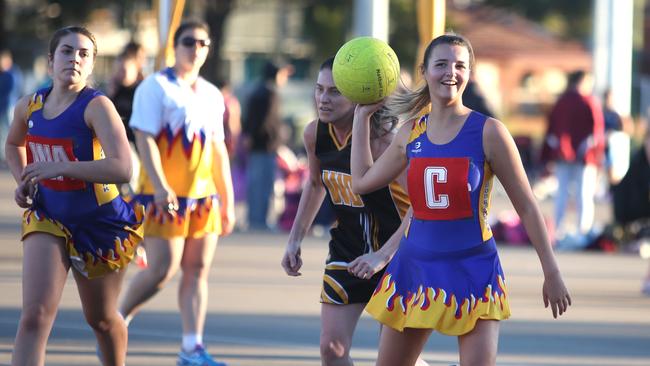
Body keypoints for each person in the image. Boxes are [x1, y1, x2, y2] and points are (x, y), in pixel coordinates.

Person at [350, 33, 571, 366]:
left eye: (460, 65)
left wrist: (551, 271)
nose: (450, 73)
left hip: (473, 269)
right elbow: (362, 182)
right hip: (414, 269)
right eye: (441, 65)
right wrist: (361, 118)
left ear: (470, 72)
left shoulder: (490, 132)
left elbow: (526, 206)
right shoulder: (410, 132)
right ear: (424, 71)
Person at [5, 26, 143, 366]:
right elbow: (13, 144)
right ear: (51, 60)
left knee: (101, 319)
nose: (75, 59)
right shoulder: (29, 107)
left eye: (84, 54)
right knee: (34, 316)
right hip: (48, 215)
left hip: (99, 223)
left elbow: (123, 168)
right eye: (67, 51)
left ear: (92, 65)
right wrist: (23, 178)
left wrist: (63, 167)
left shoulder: (97, 107)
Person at [282, 58, 423, 366]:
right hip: (347, 248)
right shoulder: (314, 135)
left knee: (396, 360)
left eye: (335, 92)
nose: (323, 99)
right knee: (331, 350)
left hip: (397, 254)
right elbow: (316, 184)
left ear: (360, 95)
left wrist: (383, 255)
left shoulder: (387, 141)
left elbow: (421, 206)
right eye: (319, 90)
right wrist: (294, 240)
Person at [118, 20, 235, 366]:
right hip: (162, 195)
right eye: (188, 41)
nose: (195, 48)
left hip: (202, 197)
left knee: (197, 270)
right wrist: (160, 185)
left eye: (203, 42)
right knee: (161, 269)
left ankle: (192, 347)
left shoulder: (212, 94)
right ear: (175, 46)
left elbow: (218, 150)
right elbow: (145, 139)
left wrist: (226, 201)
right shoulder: (155, 87)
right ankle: (115, 321)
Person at [541, 70, 605, 239]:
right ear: (583, 81)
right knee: (584, 193)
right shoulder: (589, 101)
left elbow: (551, 130)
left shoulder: (561, 101)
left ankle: (557, 230)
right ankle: (583, 231)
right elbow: (597, 131)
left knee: (561, 192)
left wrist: (551, 152)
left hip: (562, 155)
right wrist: (595, 153)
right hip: (585, 156)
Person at [242, 60, 292, 230]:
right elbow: (264, 122)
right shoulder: (270, 94)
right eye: (283, 74)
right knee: (262, 185)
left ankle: (255, 219)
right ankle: (259, 221)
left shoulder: (257, 90)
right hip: (265, 146)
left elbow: (250, 120)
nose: (284, 78)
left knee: (257, 184)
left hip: (258, 146)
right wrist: (277, 136)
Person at [0, 49, 23, 162]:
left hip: (9, 107)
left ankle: (9, 157)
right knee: (3, 132)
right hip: (3, 107)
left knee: (10, 132)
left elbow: (11, 91)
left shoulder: (12, 73)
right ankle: (4, 156)